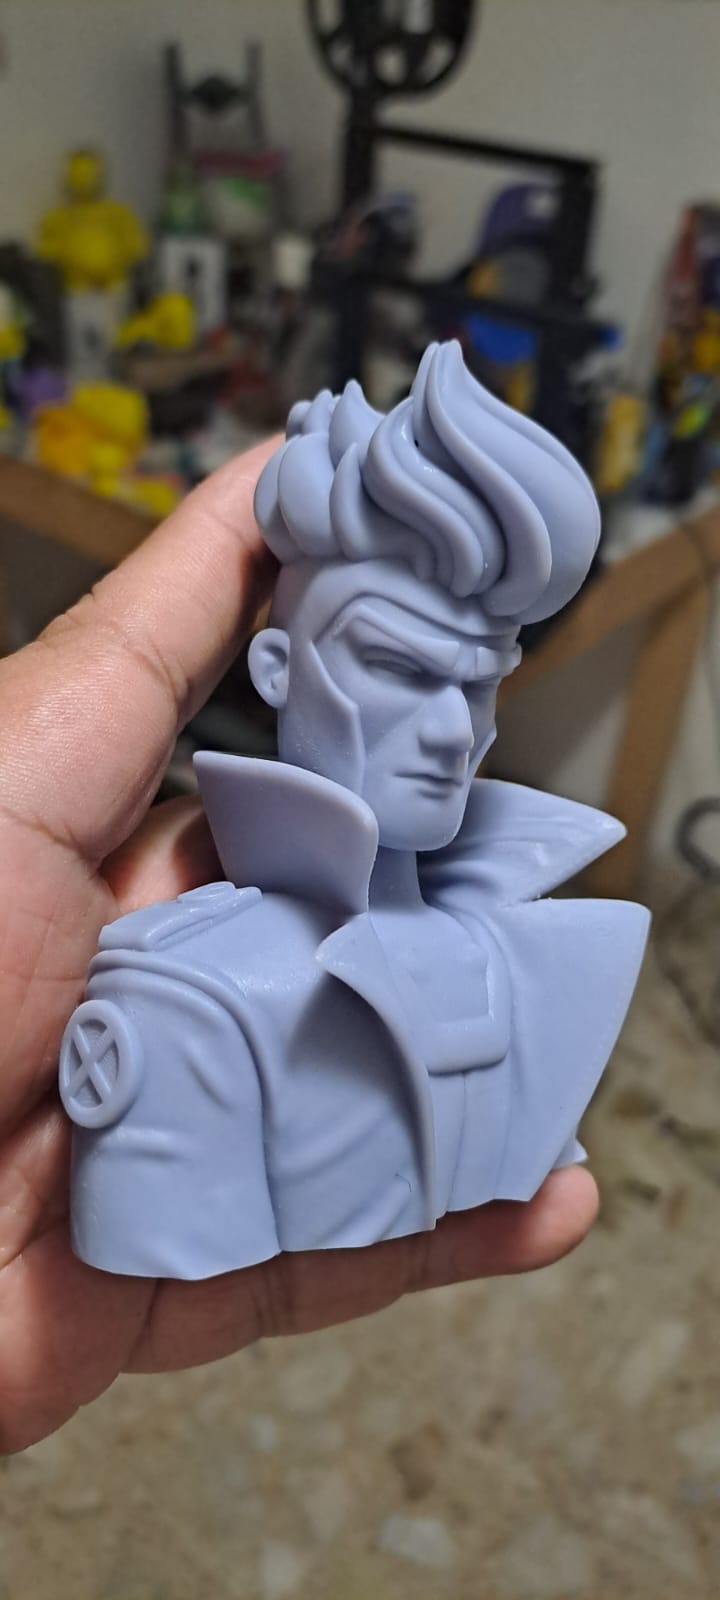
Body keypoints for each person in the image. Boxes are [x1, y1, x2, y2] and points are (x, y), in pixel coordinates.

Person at [0, 391, 599, 1457]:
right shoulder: (192, 995)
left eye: (479, 682)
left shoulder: (529, 949)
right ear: (277, 670)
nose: (451, 730)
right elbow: (154, 1233)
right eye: (403, 668)